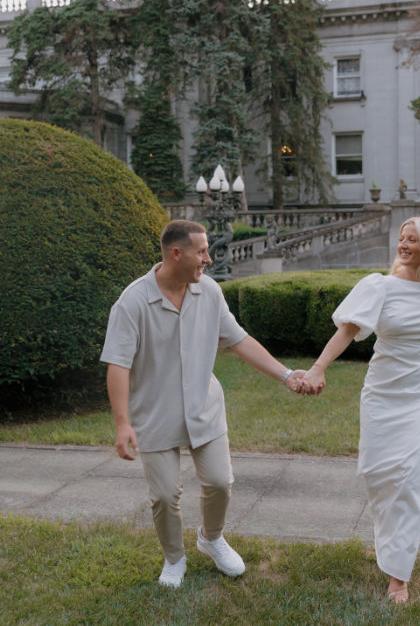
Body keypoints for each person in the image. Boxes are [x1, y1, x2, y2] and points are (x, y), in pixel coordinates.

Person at [101, 219, 312, 588]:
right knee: (165, 496)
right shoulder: (132, 301)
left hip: (204, 407)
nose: (209, 260)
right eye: (201, 252)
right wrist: (122, 423)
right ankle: (174, 559)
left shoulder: (210, 292)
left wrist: (286, 374)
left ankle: (211, 539)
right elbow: (118, 365)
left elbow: (239, 340)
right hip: (154, 414)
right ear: (176, 253)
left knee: (219, 482)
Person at [301, 216, 420, 606]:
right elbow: (347, 330)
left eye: (413, 240)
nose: (404, 244)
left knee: (413, 479)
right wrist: (318, 367)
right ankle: (390, 543)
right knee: (381, 476)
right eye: (402, 238)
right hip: (384, 392)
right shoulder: (378, 286)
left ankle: (399, 576)